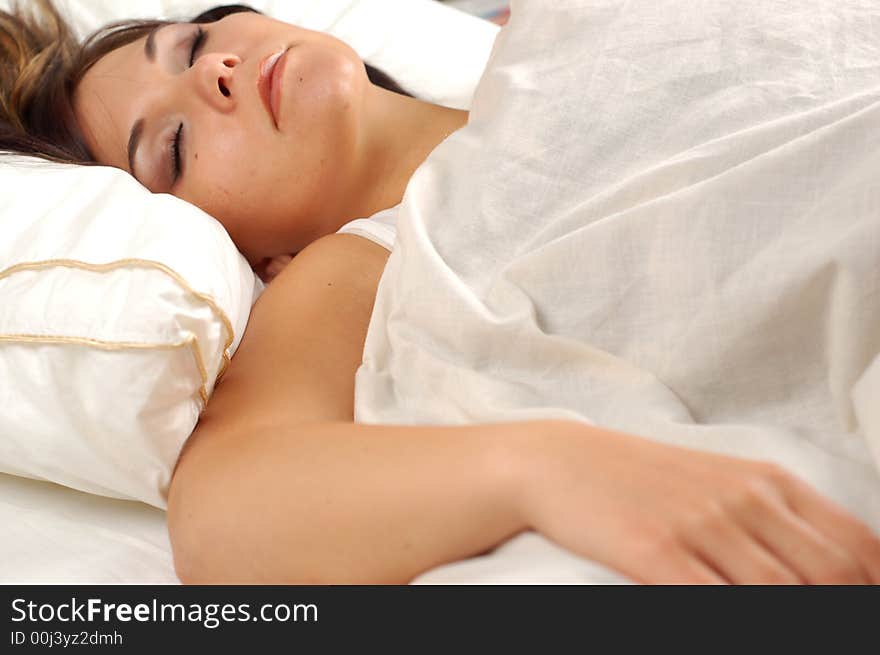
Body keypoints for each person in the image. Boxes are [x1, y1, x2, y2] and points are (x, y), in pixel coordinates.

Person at [2, 1, 880, 585]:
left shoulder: (560, 28)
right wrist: (542, 466)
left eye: (193, 43)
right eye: (177, 145)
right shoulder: (355, 269)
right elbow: (225, 505)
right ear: (257, 259)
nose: (217, 71)